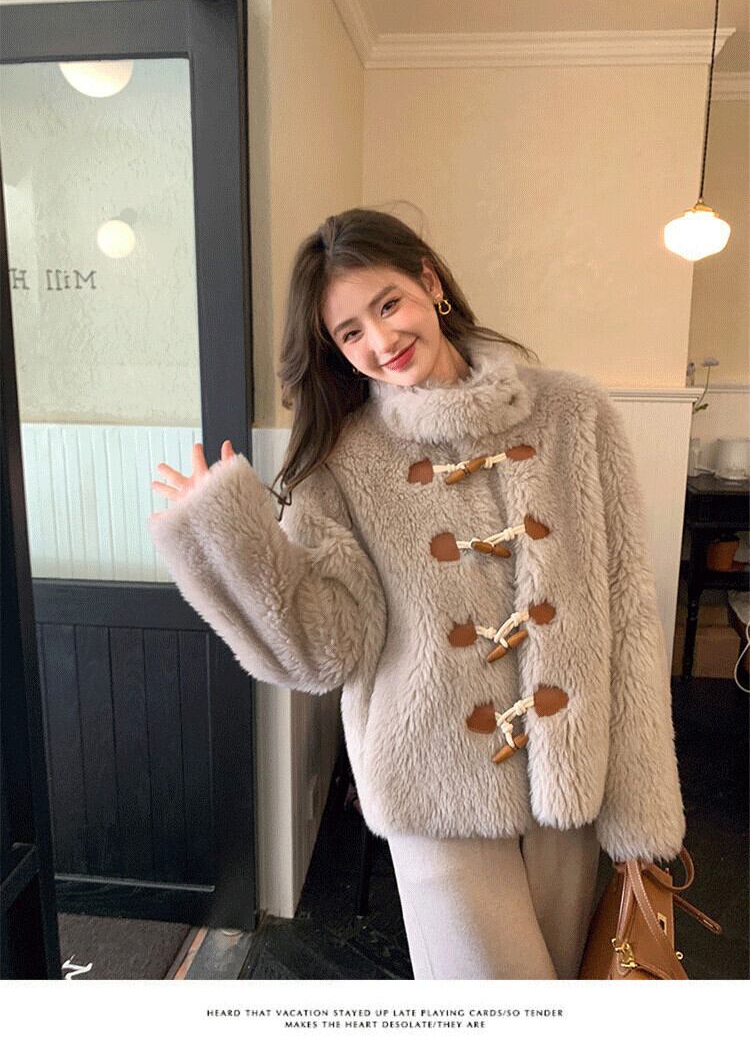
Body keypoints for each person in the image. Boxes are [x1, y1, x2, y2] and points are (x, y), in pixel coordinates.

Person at [148, 207, 686, 980]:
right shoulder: (340, 461)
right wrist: (229, 538)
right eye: (350, 332)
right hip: (433, 783)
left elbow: (629, 610)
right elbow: (326, 652)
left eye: (388, 303)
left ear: (430, 282)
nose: (380, 339)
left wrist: (641, 808)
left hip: (569, 780)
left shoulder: (576, 413)